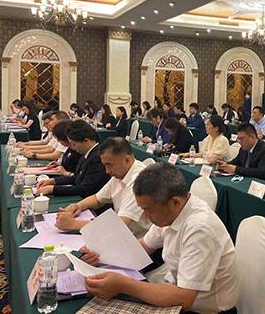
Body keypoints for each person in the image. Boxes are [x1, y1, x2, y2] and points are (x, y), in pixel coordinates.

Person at [82, 163, 239, 313]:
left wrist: (124, 285)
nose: (145, 216)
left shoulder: (200, 229)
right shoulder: (171, 212)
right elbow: (143, 246)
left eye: (149, 210)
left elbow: (185, 298)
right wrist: (102, 255)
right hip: (178, 294)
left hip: (201, 309)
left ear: (175, 202)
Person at [55, 138, 150, 237]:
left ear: (127, 160)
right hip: (123, 235)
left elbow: (119, 225)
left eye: (109, 165)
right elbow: (97, 199)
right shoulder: (121, 172)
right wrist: (77, 206)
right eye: (105, 165)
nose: (107, 171)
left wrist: (74, 224)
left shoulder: (140, 180)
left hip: (136, 240)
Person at [36, 120, 110, 197]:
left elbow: (85, 189)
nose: (73, 148)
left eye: (74, 144)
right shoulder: (86, 154)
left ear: (86, 140)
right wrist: (53, 181)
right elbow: (76, 178)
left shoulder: (98, 157)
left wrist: (52, 189)